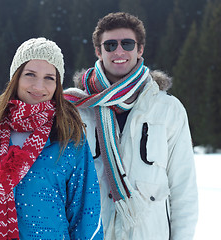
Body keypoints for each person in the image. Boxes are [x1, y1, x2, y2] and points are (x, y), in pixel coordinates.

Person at [0, 37, 103, 240]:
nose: (39, 86)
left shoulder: (69, 139)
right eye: (30, 74)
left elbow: (86, 218)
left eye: (50, 78)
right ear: (16, 77)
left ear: (57, 85)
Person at [64, 12, 198, 239]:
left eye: (127, 43)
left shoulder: (167, 108)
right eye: (110, 45)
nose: (119, 51)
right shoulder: (75, 108)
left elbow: (183, 188)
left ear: (140, 49)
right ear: (98, 51)